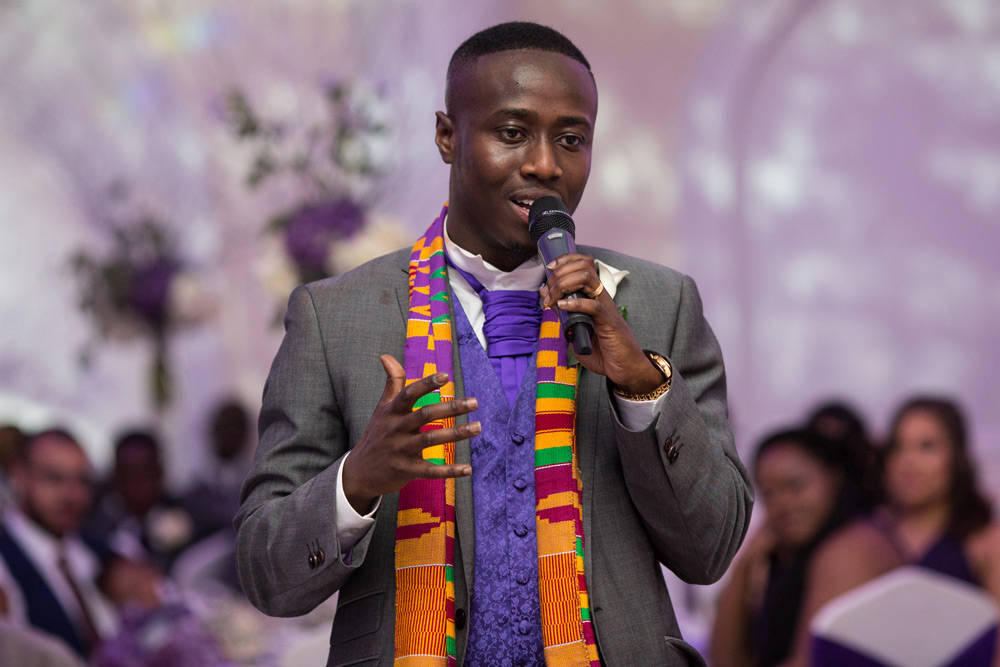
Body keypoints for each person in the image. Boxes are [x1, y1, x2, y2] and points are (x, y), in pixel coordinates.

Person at [235, 21, 752, 666]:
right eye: (512, 133)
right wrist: (355, 481)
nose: (545, 165)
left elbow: (711, 551)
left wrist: (641, 388)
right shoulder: (333, 317)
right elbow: (265, 575)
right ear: (447, 137)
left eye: (571, 140)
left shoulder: (658, 304)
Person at [782, 396, 1000, 666]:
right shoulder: (856, 537)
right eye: (898, 447)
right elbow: (813, 649)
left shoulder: (985, 541)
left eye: (927, 447)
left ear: (958, 458)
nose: (908, 461)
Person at [710, 428, 861, 667]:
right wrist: (746, 562)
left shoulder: (850, 549)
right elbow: (725, 660)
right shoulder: (788, 558)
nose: (782, 503)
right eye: (769, 494)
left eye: (795, 485)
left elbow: (809, 662)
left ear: (834, 477)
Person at [0, 428, 117, 659]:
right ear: (19, 475)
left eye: (81, 480)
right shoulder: (4, 561)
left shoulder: (96, 550)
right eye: (54, 478)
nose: (72, 495)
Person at [85, 430, 193, 570]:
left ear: (159, 473)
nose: (137, 484)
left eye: (145, 473)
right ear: (114, 477)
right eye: (127, 474)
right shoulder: (95, 523)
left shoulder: (183, 515)